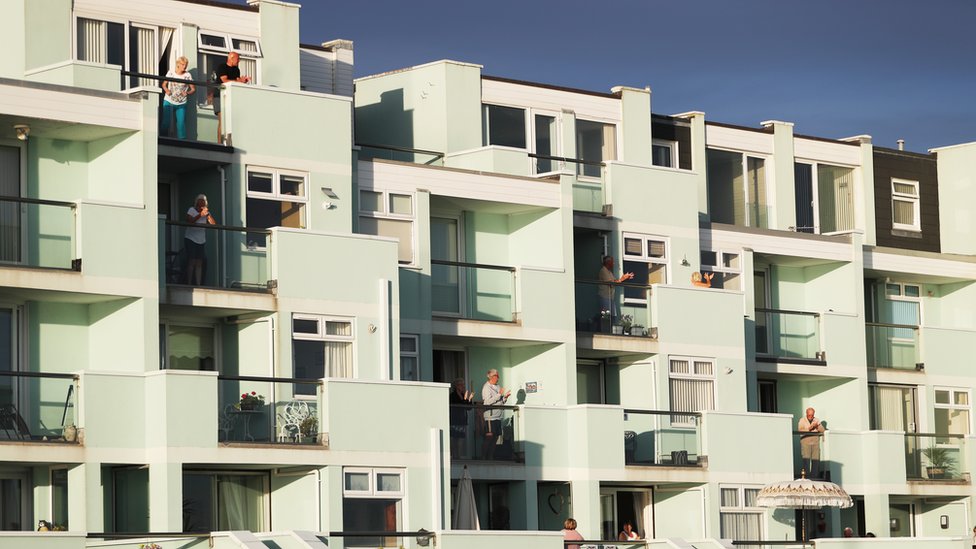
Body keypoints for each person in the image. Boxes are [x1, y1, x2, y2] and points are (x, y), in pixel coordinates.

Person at [208, 51, 251, 144]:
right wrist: (238, 81)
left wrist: (244, 80)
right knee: (222, 120)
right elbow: (224, 80)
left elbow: (237, 81)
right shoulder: (222, 67)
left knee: (231, 120)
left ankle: (229, 143)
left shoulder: (236, 70)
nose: (238, 61)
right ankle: (220, 144)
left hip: (230, 97)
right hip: (219, 95)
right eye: (237, 59)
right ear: (231, 58)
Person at [160, 56, 195, 139]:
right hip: (169, 101)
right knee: (166, 122)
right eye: (183, 64)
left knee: (181, 124)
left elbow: (193, 89)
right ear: (178, 64)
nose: (184, 66)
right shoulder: (171, 73)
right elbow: (163, 85)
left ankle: (182, 143)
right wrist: (167, 90)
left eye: (186, 64)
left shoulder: (188, 75)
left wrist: (187, 92)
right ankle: (161, 138)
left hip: (181, 103)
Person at [185, 194, 216, 285]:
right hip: (190, 238)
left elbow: (213, 224)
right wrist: (200, 215)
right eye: (200, 200)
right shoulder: (191, 210)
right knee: (192, 261)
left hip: (201, 240)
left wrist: (207, 216)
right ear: (197, 201)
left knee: (199, 262)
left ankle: (198, 284)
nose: (202, 202)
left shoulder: (206, 212)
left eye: (204, 200)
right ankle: (189, 283)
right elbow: (189, 220)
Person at [597, 255, 634, 329]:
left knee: (613, 315)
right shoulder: (603, 271)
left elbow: (616, 281)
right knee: (606, 316)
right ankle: (606, 331)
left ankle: (611, 330)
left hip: (610, 297)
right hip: (604, 296)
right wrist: (623, 278)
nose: (613, 264)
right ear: (608, 262)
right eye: (612, 262)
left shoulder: (609, 272)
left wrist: (623, 278)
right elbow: (613, 282)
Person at [481, 369, 510, 460]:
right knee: (489, 437)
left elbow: (500, 401)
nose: (498, 378)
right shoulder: (486, 387)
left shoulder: (497, 386)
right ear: (491, 377)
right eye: (497, 376)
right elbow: (487, 402)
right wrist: (499, 395)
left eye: (498, 376)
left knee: (496, 437)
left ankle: (490, 457)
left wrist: (505, 398)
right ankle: (483, 457)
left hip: (498, 415)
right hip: (490, 416)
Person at [449, 378, 474, 458]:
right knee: (453, 439)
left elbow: (468, 408)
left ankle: (458, 456)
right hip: (454, 420)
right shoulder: (452, 395)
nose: (463, 386)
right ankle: (453, 456)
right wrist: (464, 400)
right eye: (461, 385)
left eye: (463, 385)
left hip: (462, 420)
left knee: (460, 439)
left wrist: (469, 399)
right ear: (456, 386)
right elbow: (457, 405)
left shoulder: (463, 395)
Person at [798, 407, 826, 478]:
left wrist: (817, 426)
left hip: (815, 442)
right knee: (806, 460)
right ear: (806, 414)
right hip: (805, 442)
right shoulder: (802, 420)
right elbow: (800, 430)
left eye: (812, 415)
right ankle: (806, 477)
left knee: (816, 460)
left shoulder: (816, 420)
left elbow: (823, 430)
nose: (811, 417)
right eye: (809, 415)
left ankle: (815, 477)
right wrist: (809, 429)